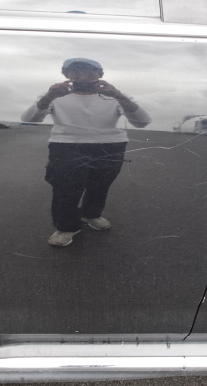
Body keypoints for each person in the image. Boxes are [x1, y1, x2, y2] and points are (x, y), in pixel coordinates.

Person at [22, 58, 151, 246]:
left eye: (89, 72)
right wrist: (49, 97)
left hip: (110, 145)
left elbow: (143, 122)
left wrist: (119, 96)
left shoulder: (114, 94)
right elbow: (28, 120)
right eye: (75, 72)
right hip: (67, 145)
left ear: (100, 75)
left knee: (100, 185)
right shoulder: (55, 94)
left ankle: (91, 215)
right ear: (66, 75)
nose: (82, 76)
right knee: (65, 188)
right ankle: (66, 227)